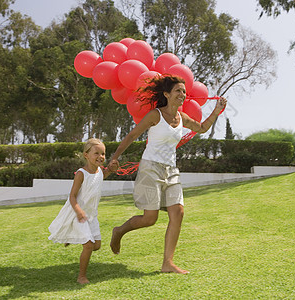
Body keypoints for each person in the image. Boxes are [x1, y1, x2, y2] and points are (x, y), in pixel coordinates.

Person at [107, 75, 227, 274]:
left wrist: (216, 111)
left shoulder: (183, 118)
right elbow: (132, 135)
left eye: (184, 92)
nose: (182, 94)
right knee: (149, 219)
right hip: (150, 168)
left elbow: (203, 128)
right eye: (178, 90)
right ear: (166, 94)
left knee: (178, 212)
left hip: (171, 170)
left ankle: (167, 263)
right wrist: (115, 157)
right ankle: (119, 231)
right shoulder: (156, 115)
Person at [48, 138, 118, 284]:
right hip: (78, 214)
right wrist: (79, 211)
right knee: (88, 245)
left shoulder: (99, 171)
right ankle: (81, 276)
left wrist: (111, 170)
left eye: (103, 153)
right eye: (96, 153)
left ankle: (73, 238)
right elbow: (72, 196)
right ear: (86, 155)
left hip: (91, 215)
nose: (101, 156)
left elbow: (101, 177)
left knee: (96, 246)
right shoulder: (81, 173)